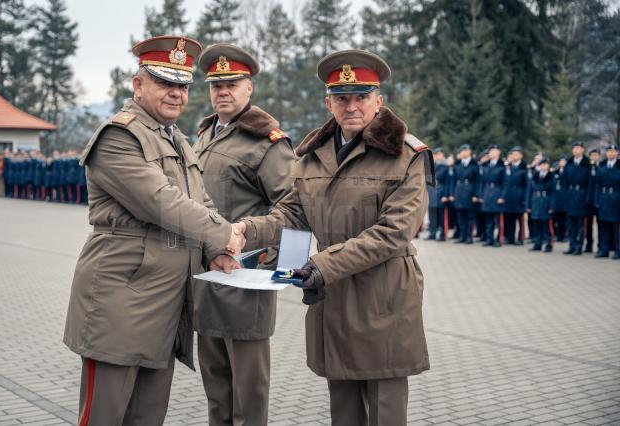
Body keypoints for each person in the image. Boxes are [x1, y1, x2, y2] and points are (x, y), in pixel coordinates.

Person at [236, 49, 434, 426]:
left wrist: (321, 265)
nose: (352, 106)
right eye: (342, 98)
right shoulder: (312, 157)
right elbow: (292, 213)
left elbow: (393, 233)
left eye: (361, 96)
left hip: (384, 295)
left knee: (384, 408)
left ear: (379, 100)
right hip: (332, 295)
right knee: (342, 407)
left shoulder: (406, 155)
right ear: (329, 102)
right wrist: (244, 231)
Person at [63, 35, 245, 425]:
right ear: (138, 84)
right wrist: (223, 234)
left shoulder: (177, 140)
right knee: (104, 417)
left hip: (165, 305)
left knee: (147, 418)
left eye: (182, 85)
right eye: (165, 82)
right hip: (121, 301)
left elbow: (200, 202)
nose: (176, 94)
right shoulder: (118, 137)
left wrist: (218, 247)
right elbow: (162, 202)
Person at [192, 43, 295, 426]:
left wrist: (285, 270)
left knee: (248, 394)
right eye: (216, 85)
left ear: (249, 88)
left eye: (232, 84)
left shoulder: (266, 141)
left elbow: (295, 209)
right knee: (216, 387)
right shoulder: (205, 135)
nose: (223, 92)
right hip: (206, 278)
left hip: (246, 281)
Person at [563, 141, 590, 255]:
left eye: (578, 148)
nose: (576, 150)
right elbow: (564, 181)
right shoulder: (569, 163)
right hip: (570, 194)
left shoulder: (587, 164)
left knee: (580, 223)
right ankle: (572, 245)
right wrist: (565, 195)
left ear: (583, 150)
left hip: (581, 194)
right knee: (570, 223)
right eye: (574, 148)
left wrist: (587, 199)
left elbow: (590, 183)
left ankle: (579, 246)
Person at [450, 144, 480, 244]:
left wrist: (476, 195)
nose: (464, 152)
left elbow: (478, 181)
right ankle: (462, 236)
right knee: (460, 216)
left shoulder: (474, 165)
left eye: (466, 150)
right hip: (458, 192)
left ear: (470, 152)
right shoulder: (457, 164)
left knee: (470, 217)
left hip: (470, 192)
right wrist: (452, 193)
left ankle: (469, 237)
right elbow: (453, 180)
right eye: (462, 151)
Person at [594, 144, 620, 259]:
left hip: (616, 197)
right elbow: (597, 184)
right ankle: (603, 249)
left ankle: (617, 250)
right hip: (603, 197)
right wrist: (597, 200)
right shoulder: (602, 166)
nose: (610, 153)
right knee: (603, 225)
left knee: (616, 226)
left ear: (617, 153)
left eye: (613, 151)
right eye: (609, 151)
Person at [480, 144, 506, 247]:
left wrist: (502, 196)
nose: (491, 153)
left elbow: (505, 183)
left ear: (498, 152)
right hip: (487, 192)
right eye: (490, 151)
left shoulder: (502, 166)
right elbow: (482, 181)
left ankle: (498, 239)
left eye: (493, 151)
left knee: (498, 219)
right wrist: (482, 194)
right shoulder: (486, 165)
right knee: (488, 218)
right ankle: (489, 239)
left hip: (497, 192)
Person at [527, 158, 554, 252]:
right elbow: (529, 191)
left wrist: (551, 206)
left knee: (546, 224)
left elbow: (554, 193)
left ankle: (548, 244)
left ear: (548, 166)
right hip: (536, 201)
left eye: (545, 164)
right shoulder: (535, 176)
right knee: (536, 224)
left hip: (545, 201)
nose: (543, 167)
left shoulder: (551, 177)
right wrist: (529, 205)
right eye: (541, 165)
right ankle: (537, 243)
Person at [503, 146, 527, 244]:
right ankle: (510, 238)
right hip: (509, 196)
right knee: (509, 218)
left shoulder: (524, 168)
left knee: (520, 219)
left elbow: (526, 186)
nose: (515, 156)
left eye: (517, 154)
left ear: (521, 156)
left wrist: (524, 198)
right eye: (513, 154)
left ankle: (520, 238)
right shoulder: (508, 167)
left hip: (519, 195)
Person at [427, 147, 450, 241]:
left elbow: (448, 183)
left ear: (442, 155)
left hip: (441, 193)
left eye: (439, 154)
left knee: (442, 216)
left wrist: (446, 195)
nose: (437, 156)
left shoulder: (446, 167)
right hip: (431, 193)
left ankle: (443, 235)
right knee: (432, 216)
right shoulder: (431, 166)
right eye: (436, 154)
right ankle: (432, 234)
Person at [585, 147, 601, 253]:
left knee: (601, 225)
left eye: (596, 155)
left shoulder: (602, 167)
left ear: (599, 156)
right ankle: (589, 245)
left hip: (599, 201)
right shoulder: (587, 168)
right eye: (592, 155)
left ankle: (602, 245)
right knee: (588, 224)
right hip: (589, 201)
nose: (594, 157)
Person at [551, 156, 568, 242]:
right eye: (561, 161)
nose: (562, 163)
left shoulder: (568, 172)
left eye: (564, 161)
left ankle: (565, 234)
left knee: (565, 219)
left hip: (565, 198)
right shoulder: (555, 172)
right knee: (557, 218)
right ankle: (559, 235)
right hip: (557, 198)